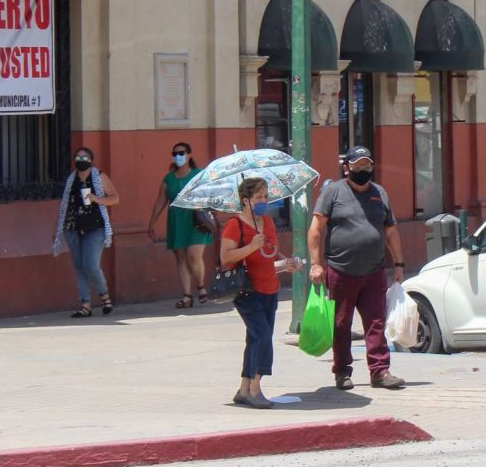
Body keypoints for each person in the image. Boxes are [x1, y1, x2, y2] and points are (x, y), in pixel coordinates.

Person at [308, 146, 406, 390]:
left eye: (367, 165)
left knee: (376, 323)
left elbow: (390, 230)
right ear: (346, 168)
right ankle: (342, 372)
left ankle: (380, 371)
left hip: (374, 271)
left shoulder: (379, 193)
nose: (362, 170)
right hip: (341, 270)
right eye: (357, 166)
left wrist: (399, 263)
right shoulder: (333, 192)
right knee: (341, 324)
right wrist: (316, 264)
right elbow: (316, 229)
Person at [222, 178, 302, 409]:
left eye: (266, 196)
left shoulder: (267, 222)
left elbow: (269, 258)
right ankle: (256, 389)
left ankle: (244, 389)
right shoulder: (234, 225)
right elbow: (225, 258)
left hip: (270, 288)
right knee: (263, 336)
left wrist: (286, 264)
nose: (264, 201)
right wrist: (250, 246)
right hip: (247, 291)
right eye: (259, 197)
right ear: (246, 200)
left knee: (255, 338)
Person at [53, 147, 120, 318]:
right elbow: (65, 205)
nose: (81, 160)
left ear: (91, 160)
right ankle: (85, 304)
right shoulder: (71, 179)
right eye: (78, 157)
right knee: (79, 266)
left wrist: (97, 199)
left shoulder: (99, 177)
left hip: (95, 227)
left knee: (90, 264)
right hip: (72, 227)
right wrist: (57, 229)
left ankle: (104, 295)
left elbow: (115, 198)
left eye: (85, 157)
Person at [148, 142, 213, 308]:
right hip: (177, 219)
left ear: (189, 155)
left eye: (181, 152)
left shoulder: (199, 174)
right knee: (180, 257)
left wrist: (204, 204)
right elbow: (161, 201)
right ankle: (186, 295)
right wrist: (152, 222)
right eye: (175, 153)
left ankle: (200, 286)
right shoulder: (168, 179)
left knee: (193, 254)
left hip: (196, 219)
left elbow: (210, 194)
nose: (178, 156)